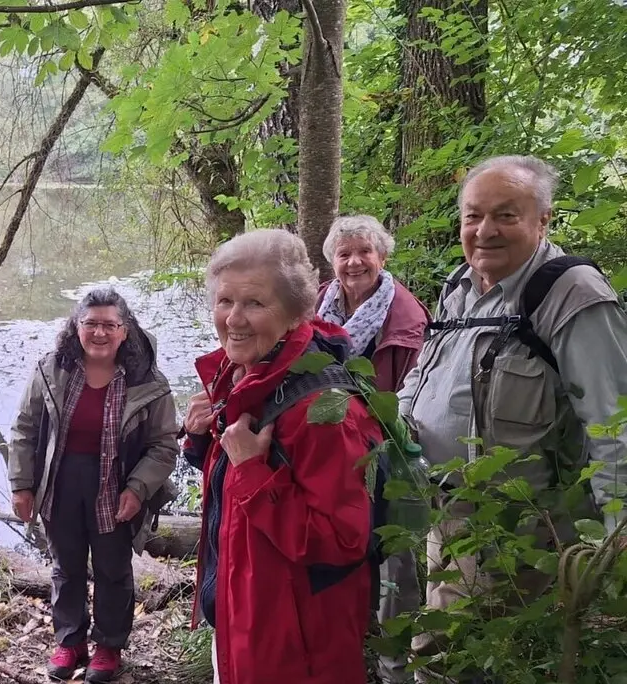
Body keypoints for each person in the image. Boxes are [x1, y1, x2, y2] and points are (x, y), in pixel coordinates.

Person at [397, 155, 627, 682]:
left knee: (445, 662)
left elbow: (614, 421)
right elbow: (424, 376)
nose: (485, 231)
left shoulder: (570, 293)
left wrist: (615, 541)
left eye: (506, 215)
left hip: (523, 529)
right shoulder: (460, 285)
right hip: (447, 513)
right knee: (460, 657)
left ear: (543, 220)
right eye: (473, 216)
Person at [182, 229, 383, 684]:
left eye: (254, 303)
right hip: (244, 617)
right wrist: (203, 441)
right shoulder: (245, 379)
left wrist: (252, 471)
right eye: (224, 300)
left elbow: (342, 542)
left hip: (299, 645)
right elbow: (230, 496)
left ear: (296, 314)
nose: (233, 318)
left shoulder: (325, 412)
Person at [7, 288, 179, 683]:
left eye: (109, 325)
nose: (99, 333)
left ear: (124, 331)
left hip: (116, 487)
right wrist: (22, 484)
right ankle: (70, 641)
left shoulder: (147, 380)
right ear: (76, 327)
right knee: (65, 567)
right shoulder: (53, 369)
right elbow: (24, 429)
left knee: (113, 569)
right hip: (60, 481)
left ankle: (108, 646)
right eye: (91, 324)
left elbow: (163, 445)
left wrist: (138, 488)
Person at [317, 214, 431, 684]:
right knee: (338, 550)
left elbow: (419, 400)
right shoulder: (317, 310)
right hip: (329, 458)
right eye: (344, 254)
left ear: (382, 257)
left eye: (364, 251)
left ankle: (394, 667)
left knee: (395, 563)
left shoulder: (408, 318)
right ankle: (345, 650)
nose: (354, 262)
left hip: (391, 457)